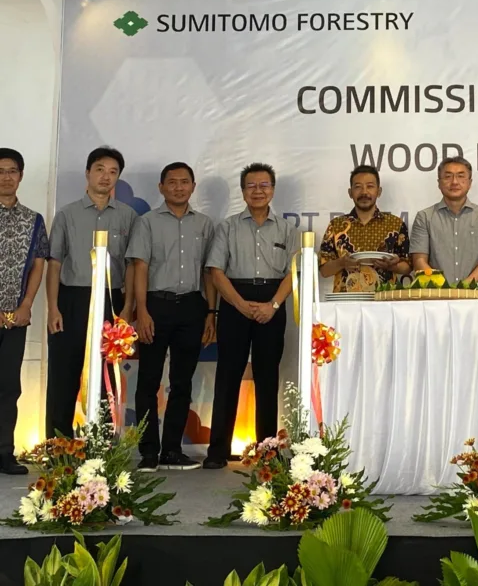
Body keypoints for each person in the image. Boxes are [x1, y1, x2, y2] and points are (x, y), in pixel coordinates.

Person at [203, 163, 298, 469]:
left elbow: (294, 272)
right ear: (243, 191)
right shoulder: (227, 228)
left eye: (264, 186)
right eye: (251, 186)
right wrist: (240, 305)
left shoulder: (288, 230)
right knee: (228, 376)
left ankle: (267, 450)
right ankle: (217, 451)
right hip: (235, 301)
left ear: (273, 189)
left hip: (272, 303)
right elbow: (216, 271)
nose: (258, 191)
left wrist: (272, 305)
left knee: (267, 378)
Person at [127, 162, 217, 472]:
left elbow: (209, 272)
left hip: (192, 307)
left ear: (193, 187)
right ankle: (148, 452)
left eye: (184, 182)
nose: (178, 187)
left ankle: (172, 451)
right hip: (156, 305)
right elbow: (140, 268)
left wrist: (210, 313)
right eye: (172, 182)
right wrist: (142, 312)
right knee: (148, 381)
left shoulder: (205, 225)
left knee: (182, 382)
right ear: (161, 187)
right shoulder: (147, 222)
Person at [46, 146, 137, 439]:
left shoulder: (128, 217)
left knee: (107, 377)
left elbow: (132, 266)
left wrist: (127, 310)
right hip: (72, 300)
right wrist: (53, 308)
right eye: (100, 169)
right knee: (65, 374)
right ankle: (58, 446)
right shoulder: (67, 214)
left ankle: (103, 448)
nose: (105, 177)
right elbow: (55, 263)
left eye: (113, 172)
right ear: (88, 173)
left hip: (112, 303)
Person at [0, 149, 48, 475]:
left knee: (8, 387)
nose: (6, 177)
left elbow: (38, 263)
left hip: (15, 318)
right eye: (0, 171)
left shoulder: (33, 220)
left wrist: (26, 305)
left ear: (21, 175)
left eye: (12, 171)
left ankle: (4, 452)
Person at [410, 157, 478, 285]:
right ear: (439, 183)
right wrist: (443, 289)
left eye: (460, 176)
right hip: (436, 298)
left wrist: (465, 287)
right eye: (448, 177)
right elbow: (419, 260)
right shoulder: (424, 217)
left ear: (470, 182)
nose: (454, 182)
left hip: (476, 297)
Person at [319, 165, 410, 291]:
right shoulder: (336, 225)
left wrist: (391, 266)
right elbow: (324, 271)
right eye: (358, 187)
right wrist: (341, 263)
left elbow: (407, 266)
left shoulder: (395, 224)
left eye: (370, 186)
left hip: (384, 300)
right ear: (350, 193)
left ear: (379, 191)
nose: (364, 192)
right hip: (346, 303)